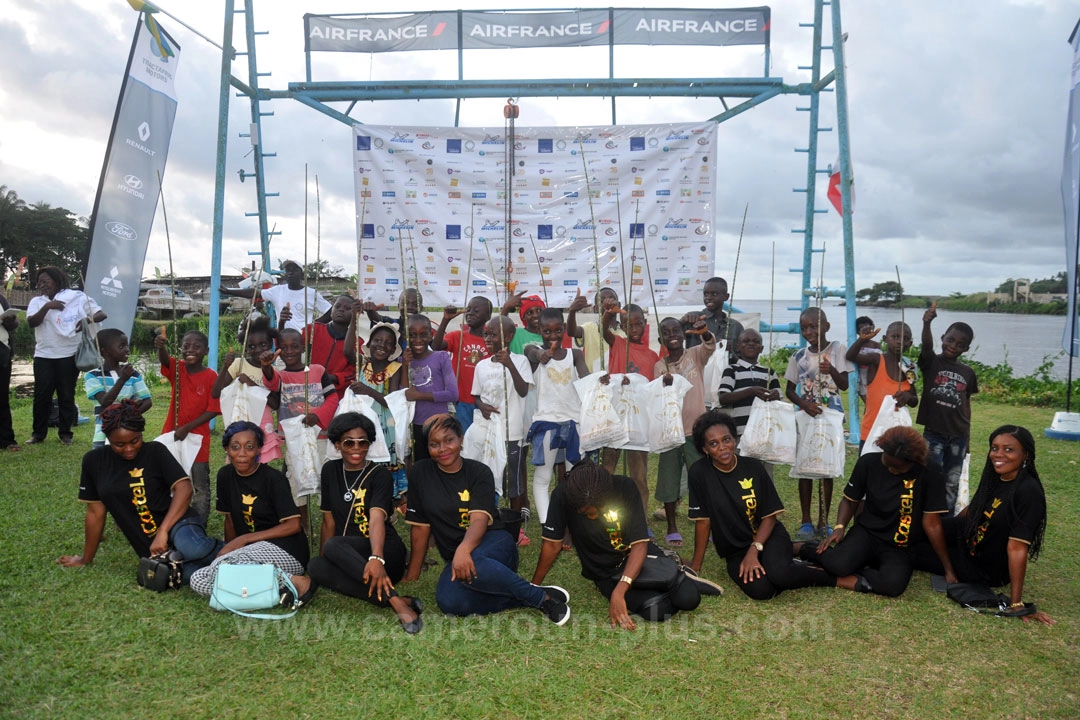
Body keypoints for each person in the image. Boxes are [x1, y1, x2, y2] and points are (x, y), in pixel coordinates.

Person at [402, 414, 571, 624]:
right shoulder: (421, 472)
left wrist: (464, 550)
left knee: (477, 564)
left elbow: (479, 520)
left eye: (449, 440)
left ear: (461, 439)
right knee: (449, 601)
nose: (443, 449)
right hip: (458, 557)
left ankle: (541, 599)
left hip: (494, 544)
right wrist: (413, 573)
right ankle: (523, 596)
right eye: (434, 444)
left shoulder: (479, 472)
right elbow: (420, 527)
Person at [532, 460, 714, 629]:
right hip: (605, 572)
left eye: (597, 510)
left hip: (639, 556)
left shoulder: (624, 487)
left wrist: (620, 591)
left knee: (689, 599)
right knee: (657, 610)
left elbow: (639, 545)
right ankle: (675, 575)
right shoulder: (562, 495)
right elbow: (552, 545)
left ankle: (675, 572)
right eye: (586, 514)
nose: (594, 517)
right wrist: (533, 587)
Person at [57, 400, 222, 583]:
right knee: (186, 574)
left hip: (178, 523)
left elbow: (184, 488)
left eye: (135, 440)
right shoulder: (94, 462)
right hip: (149, 547)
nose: (129, 449)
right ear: (108, 438)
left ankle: (241, 553)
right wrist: (84, 558)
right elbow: (95, 513)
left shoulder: (155, 451)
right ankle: (233, 567)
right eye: (119, 444)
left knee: (193, 549)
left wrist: (163, 531)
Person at [687, 411, 840, 600]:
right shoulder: (699, 473)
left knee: (780, 574)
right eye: (713, 443)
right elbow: (703, 521)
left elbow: (770, 516)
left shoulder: (753, 467)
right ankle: (792, 551)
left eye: (726, 439)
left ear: (735, 439)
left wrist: (754, 550)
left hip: (767, 536)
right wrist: (696, 565)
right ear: (704, 449)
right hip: (736, 549)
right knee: (762, 591)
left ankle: (833, 578)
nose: (722, 447)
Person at [913, 425, 1054, 625]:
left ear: (1026, 455)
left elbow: (1017, 548)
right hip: (968, 539)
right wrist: (947, 527)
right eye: (995, 448)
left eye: (1009, 449)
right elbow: (974, 509)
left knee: (912, 551)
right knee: (920, 528)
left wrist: (1016, 603)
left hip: (982, 567)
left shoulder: (1028, 493)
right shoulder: (998, 475)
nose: (999, 454)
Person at [806, 426, 957, 597]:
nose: (891, 470)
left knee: (893, 586)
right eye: (888, 463)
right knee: (838, 565)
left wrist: (948, 569)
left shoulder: (931, 472)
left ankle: (855, 569)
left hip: (901, 545)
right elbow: (850, 500)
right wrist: (840, 526)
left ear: (913, 462)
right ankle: (804, 548)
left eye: (898, 468)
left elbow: (932, 524)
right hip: (867, 532)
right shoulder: (868, 462)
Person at [307, 413, 422, 633]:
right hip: (349, 556)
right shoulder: (330, 471)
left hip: (385, 554)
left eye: (363, 442)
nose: (356, 448)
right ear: (337, 445)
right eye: (348, 442)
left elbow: (377, 518)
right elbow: (328, 520)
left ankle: (395, 602)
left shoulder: (380, 475)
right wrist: (328, 561)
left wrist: (376, 558)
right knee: (316, 566)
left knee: (334, 546)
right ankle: (395, 599)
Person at [189, 421, 316, 605]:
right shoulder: (225, 475)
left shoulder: (273, 479)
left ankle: (295, 580)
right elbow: (230, 521)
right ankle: (277, 589)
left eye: (249, 447)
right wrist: (229, 548)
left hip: (287, 550)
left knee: (222, 568)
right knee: (198, 580)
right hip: (248, 555)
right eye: (235, 447)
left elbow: (294, 525)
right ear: (227, 449)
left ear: (259, 450)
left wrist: (244, 540)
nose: (242, 454)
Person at [784, 307, 854, 540]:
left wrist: (831, 369)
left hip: (831, 417)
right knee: (805, 467)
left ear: (826, 326)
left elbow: (844, 385)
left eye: (814, 326)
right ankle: (806, 520)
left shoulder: (837, 349)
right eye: (804, 328)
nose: (809, 331)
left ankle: (824, 520)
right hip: (807, 417)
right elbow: (789, 390)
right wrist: (804, 405)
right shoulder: (798, 356)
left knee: (826, 470)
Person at [25, 266, 107, 446]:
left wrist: (86, 319)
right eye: (40, 282)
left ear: (57, 281)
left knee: (66, 394)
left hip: (69, 354)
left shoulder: (76, 298)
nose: (42, 285)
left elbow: (101, 314)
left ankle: (65, 434)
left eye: (46, 281)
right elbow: (32, 322)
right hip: (44, 355)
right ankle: (38, 433)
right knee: (42, 395)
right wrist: (48, 306)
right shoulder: (37, 301)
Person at [653, 315, 715, 548]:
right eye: (667, 333)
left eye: (677, 330)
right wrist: (665, 385)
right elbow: (658, 397)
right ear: (661, 339)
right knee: (669, 479)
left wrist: (705, 333)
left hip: (695, 431)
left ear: (684, 333)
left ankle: (707, 522)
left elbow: (710, 345)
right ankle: (671, 526)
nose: (673, 336)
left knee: (702, 478)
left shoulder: (695, 355)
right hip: (670, 433)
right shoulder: (660, 366)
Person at [524, 307, 590, 526]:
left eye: (558, 330)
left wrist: (599, 382)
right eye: (546, 331)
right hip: (546, 424)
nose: (553, 336)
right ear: (539, 331)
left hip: (574, 423)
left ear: (564, 329)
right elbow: (532, 353)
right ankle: (547, 524)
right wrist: (542, 355)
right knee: (543, 477)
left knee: (574, 476)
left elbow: (586, 379)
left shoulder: (575, 354)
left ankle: (572, 521)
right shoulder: (533, 352)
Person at [471, 316, 533, 542]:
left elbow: (523, 390)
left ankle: (516, 528)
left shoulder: (520, 361)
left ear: (508, 337)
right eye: (486, 333)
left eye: (493, 334)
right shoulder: (481, 365)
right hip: (489, 432)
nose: (488, 338)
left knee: (513, 480)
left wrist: (509, 364)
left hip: (512, 432)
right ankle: (488, 519)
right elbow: (476, 396)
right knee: (488, 474)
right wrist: (482, 407)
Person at [266, 327, 340, 508]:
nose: (290, 351)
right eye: (285, 347)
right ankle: (302, 528)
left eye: (295, 346)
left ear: (303, 348)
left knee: (324, 479)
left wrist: (318, 415)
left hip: (320, 437)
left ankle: (328, 523)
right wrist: (266, 366)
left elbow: (332, 397)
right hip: (294, 441)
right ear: (278, 350)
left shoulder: (318, 371)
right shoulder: (280, 376)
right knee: (297, 484)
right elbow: (270, 380)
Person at [917, 305, 978, 514]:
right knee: (929, 477)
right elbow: (926, 347)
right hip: (933, 434)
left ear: (966, 349)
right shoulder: (931, 362)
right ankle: (924, 517)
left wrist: (967, 438)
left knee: (951, 482)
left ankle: (946, 522)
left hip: (958, 436)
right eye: (950, 340)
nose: (953, 346)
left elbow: (966, 404)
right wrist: (927, 323)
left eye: (960, 344)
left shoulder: (968, 373)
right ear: (942, 338)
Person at [155, 329, 220, 522]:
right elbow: (166, 360)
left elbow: (213, 409)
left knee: (199, 484)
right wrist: (161, 347)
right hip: (172, 435)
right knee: (171, 479)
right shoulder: (178, 369)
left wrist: (187, 427)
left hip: (198, 439)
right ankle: (172, 519)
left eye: (196, 347)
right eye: (186, 346)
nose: (190, 350)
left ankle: (199, 522)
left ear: (206, 351)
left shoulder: (210, 376)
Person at [601, 303, 657, 518]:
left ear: (645, 323)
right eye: (628, 324)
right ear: (621, 326)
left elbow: (651, 392)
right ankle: (603, 511)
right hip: (615, 417)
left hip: (638, 423)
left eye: (638, 324)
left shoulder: (652, 356)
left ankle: (641, 519)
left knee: (639, 475)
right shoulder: (618, 343)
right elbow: (604, 328)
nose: (634, 328)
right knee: (608, 468)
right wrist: (609, 313)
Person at [211, 315, 281, 463]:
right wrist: (225, 367)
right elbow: (216, 392)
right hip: (240, 422)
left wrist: (252, 384)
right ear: (245, 347)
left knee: (261, 462)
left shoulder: (272, 372)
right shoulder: (239, 364)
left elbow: (275, 404)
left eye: (263, 345)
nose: (257, 350)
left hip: (262, 423)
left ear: (270, 344)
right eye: (252, 347)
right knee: (239, 459)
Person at [348, 323, 406, 500]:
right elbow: (346, 351)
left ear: (393, 349)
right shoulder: (363, 365)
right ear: (369, 343)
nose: (382, 345)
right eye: (378, 340)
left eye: (389, 343)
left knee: (382, 461)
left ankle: (386, 499)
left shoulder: (395, 369)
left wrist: (369, 391)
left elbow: (392, 402)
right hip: (362, 422)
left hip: (384, 425)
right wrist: (354, 318)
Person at [715, 328, 781, 477]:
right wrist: (750, 391)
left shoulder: (769, 373)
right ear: (738, 347)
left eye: (756, 342)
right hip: (741, 433)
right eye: (746, 341)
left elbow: (778, 397)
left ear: (762, 348)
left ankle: (765, 500)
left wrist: (775, 394)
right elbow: (723, 398)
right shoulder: (732, 370)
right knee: (743, 473)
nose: (751, 344)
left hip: (765, 434)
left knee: (765, 475)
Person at [846, 321, 918, 451]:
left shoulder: (910, 367)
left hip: (897, 435)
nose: (900, 342)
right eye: (895, 337)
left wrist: (907, 397)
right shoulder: (876, 360)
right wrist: (861, 340)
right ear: (885, 339)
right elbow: (851, 356)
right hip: (871, 432)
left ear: (910, 344)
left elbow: (914, 400)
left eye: (905, 339)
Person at [431, 296, 492, 434]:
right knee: (464, 440)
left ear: (487, 315)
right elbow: (436, 346)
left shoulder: (491, 341)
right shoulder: (457, 336)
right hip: (462, 401)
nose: (470, 313)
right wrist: (446, 319)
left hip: (485, 402)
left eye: (476, 311)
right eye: (468, 309)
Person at [402, 313, 458, 463]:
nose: (418, 340)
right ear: (405, 337)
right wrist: (404, 365)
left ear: (431, 335)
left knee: (441, 462)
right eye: (412, 335)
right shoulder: (404, 361)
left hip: (439, 424)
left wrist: (420, 396)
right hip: (415, 425)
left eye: (423, 335)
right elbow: (403, 393)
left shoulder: (441, 357)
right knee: (420, 464)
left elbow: (453, 394)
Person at [221, 259, 331, 333]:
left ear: (301, 273)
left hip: (304, 343)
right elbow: (255, 292)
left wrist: (313, 326)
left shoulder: (311, 294)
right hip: (284, 343)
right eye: (288, 271)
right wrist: (229, 291)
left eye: (294, 270)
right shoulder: (278, 291)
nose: (290, 273)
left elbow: (330, 311)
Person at [84, 328, 152, 448]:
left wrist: (127, 418)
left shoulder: (133, 374)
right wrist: (122, 380)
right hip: (104, 433)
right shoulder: (93, 375)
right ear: (106, 352)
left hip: (130, 432)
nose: (127, 349)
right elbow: (105, 402)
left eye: (127, 345)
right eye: (121, 346)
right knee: (104, 464)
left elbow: (147, 401)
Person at [298, 294, 362, 398]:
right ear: (331, 312)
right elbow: (292, 346)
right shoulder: (314, 330)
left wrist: (332, 377)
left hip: (337, 394)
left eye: (347, 308)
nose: (341, 310)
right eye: (337, 306)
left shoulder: (358, 343)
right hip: (309, 388)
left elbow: (353, 373)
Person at [680, 276, 743, 356]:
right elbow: (666, 337)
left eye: (714, 294)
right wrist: (682, 322)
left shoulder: (736, 327)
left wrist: (730, 352)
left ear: (726, 297)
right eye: (706, 294)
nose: (708, 298)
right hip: (697, 367)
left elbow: (740, 357)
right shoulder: (692, 318)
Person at [566, 287, 621, 372]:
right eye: (602, 301)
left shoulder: (626, 330)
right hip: (594, 382)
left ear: (619, 305)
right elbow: (571, 332)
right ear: (596, 309)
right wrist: (572, 311)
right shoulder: (589, 328)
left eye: (612, 299)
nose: (608, 303)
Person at [1, 290, 20, 450]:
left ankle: (7, 440)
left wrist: (10, 320)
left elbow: (13, 325)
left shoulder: (0, 299)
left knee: (2, 398)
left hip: (2, 353)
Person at [852, 315, 878, 404]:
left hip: (875, 378)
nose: (866, 332)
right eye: (862, 330)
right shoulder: (856, 346)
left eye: (867, 329)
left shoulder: (876, 345)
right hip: (862, 378)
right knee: (868, 402)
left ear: (872, 327)